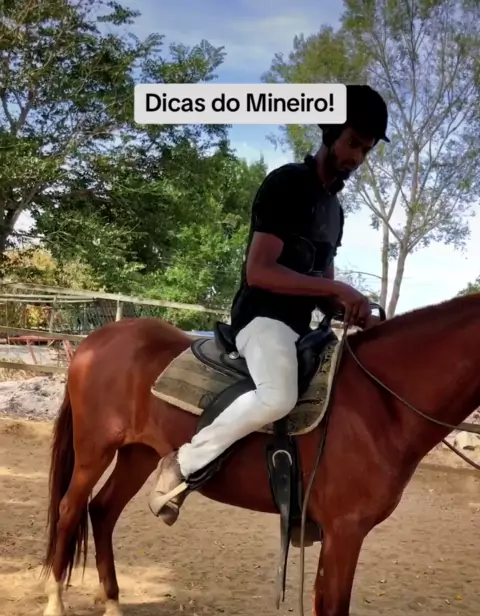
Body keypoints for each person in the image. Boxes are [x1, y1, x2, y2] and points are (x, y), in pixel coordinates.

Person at [149, 83, 389, 520]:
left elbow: (325, 290)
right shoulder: (286, 184)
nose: (357, 157)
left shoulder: (334, 211)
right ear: (330, 133)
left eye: (366, 150)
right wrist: (337, 290)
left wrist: (355, 313)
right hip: (261, 319)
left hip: (301, 331)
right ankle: (182, 464)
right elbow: (259, 271)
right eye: (353, 143)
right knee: (278, 397)